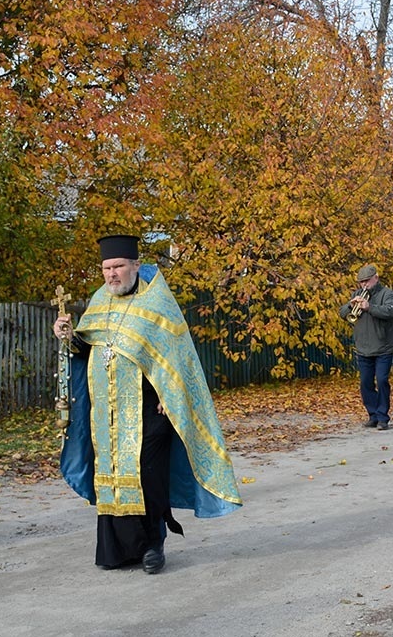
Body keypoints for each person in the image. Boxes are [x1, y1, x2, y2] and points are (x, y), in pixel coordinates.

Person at [54, 234, 242, 574]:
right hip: (108, 413)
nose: (112, 275)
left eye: (119, 267)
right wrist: (69, 338)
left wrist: (169, 396)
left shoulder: (156, 302)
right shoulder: (100, 300)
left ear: (135, 266)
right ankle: (119, 549)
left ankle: (153, 545)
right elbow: (91, 348)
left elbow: (176, 358)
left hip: (150, 409)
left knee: (147, 476)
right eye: (106, 268)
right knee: (110, 475)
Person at [340, 264, 393, 430]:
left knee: (381, 380)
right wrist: (351, 306)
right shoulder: (356, 294)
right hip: (363, 347)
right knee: (365, 382)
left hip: (383, 347)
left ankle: (382, 417)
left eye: (367, 281)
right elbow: (342, 312)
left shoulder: (388, 293)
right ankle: (372, 415)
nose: (364, 285)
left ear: (376, 278)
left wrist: (369, 307)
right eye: (361, 282)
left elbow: (390, 311)